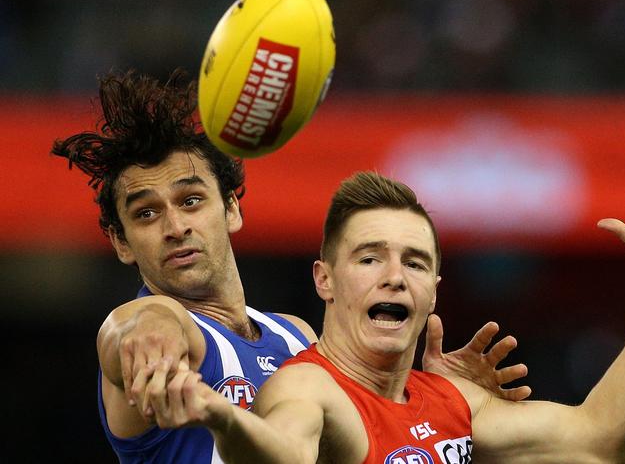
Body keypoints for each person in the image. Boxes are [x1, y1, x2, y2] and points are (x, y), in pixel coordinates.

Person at [52, 70, 529, 464]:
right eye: (146, 213)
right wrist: (147, 331)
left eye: (191, 200)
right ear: (121, 242)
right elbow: (130, 327)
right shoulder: (152, 332)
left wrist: (435, 401)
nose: (175, 226)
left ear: (232, 210)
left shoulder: (296, 338)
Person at [140, 170, 625, 464]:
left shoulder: (453, 401)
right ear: (325, 280)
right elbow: (285, 453)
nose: (395, 276)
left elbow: (602, 439)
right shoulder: (309, 389)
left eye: (415, 262)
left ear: (433, 292)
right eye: (369, 258)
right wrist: (223, 418)